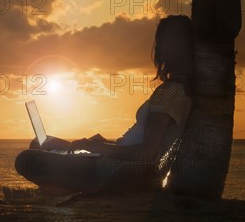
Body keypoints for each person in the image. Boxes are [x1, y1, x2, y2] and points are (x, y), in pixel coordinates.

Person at [15, 15, 194, 194]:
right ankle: (62, 184)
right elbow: (144, 143)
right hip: (115, 159)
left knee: (26, 160)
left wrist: (96, 147)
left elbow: (146, 154)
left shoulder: (172, 93)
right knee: (40, 142)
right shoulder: (177, 89)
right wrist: (108, 144)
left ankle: (65, 187)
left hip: (115, 169)